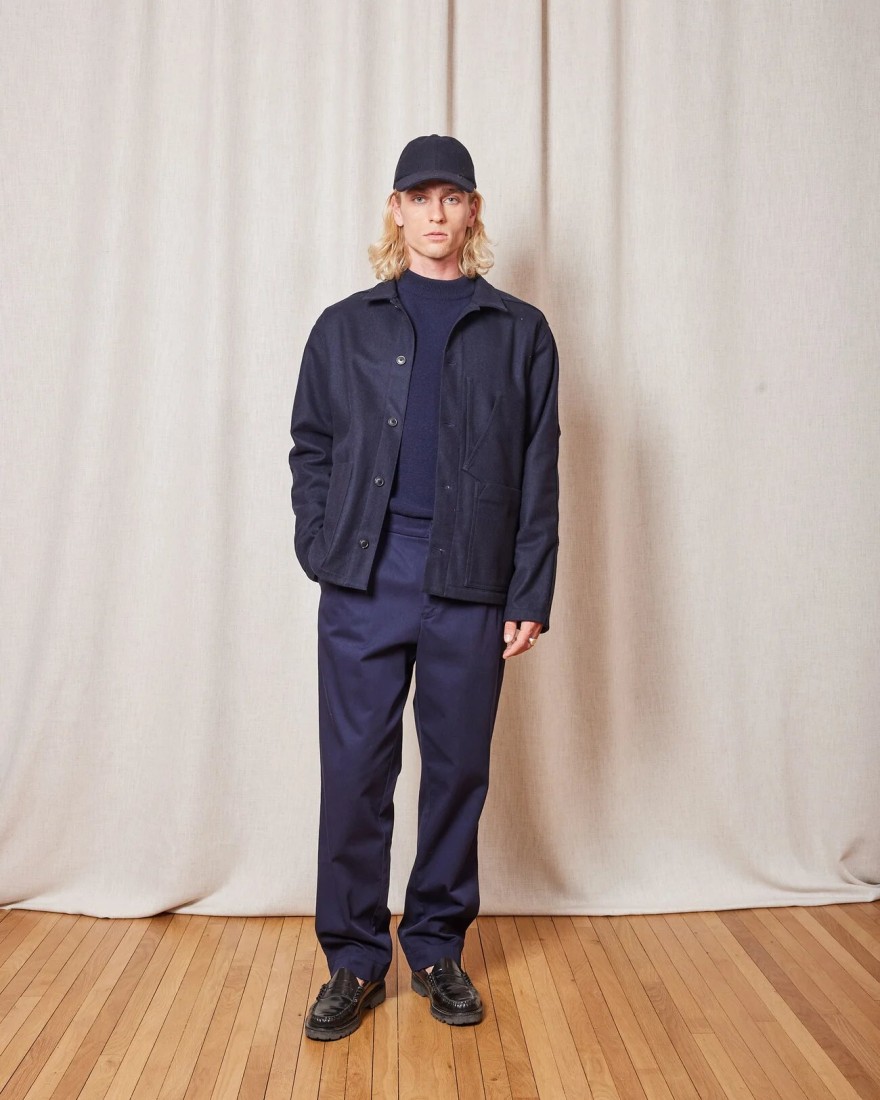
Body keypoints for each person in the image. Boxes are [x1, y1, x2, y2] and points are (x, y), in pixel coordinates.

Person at [288, 134, 560, 1041]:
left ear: (472, 211)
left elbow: (538, 468)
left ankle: (437, 948)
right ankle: (354, 960)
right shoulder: (344, 327)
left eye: (452, 197)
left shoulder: (520, 331)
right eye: (420, 197)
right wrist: (321, 545)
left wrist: (529, 590)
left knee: (456, 774)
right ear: (396, 210)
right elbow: (312, 445)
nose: (436, 213)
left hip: (471, 580)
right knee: (355, 773)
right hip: (365, 577)